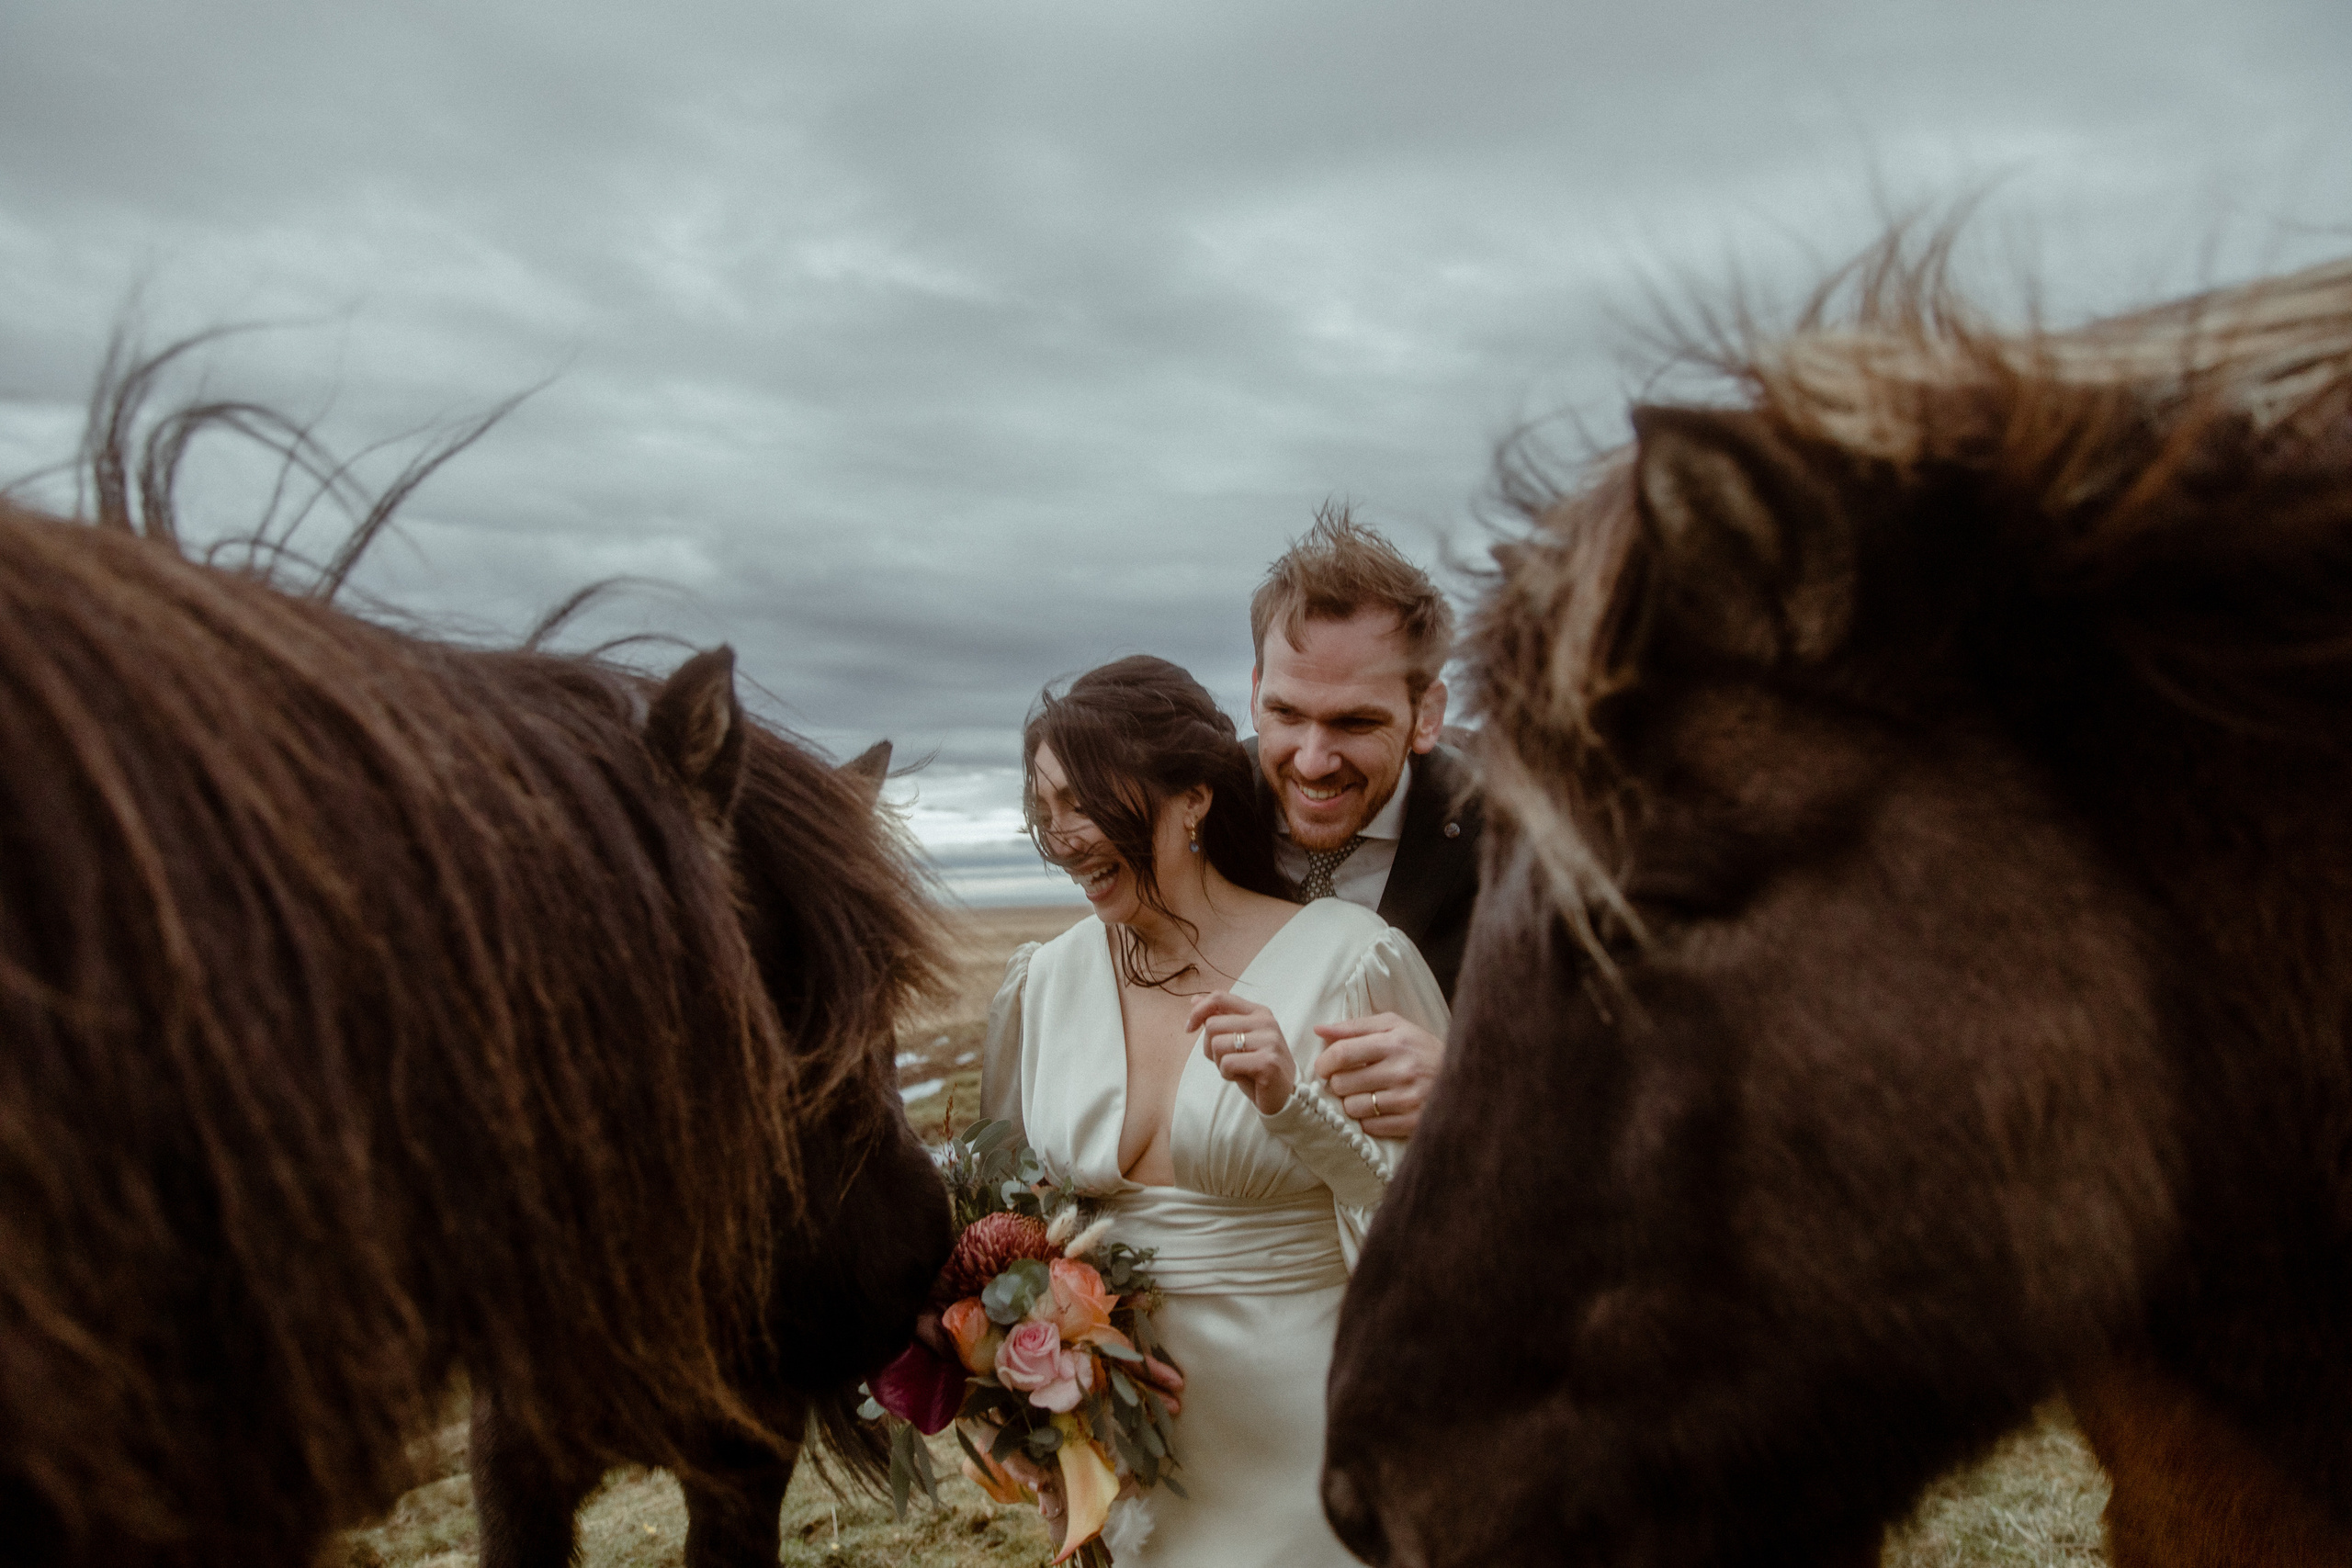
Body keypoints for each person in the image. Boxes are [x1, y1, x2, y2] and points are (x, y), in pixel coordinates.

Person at [982, 655, 1448, 1567]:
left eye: (1087, 803)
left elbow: (1442, 1226)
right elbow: (1010, 1222)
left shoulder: (1349, 963)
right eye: (1047, 811)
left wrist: (1292, 1104)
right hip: (1127, 1451)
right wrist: (1031, 1408)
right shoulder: (1046, 981)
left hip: (1314, 1438)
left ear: (1192, 799)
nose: (1065, 835)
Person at [1246, 508, 1480, 1141]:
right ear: (1254, 694)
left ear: (1425, 713)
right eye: (1286, 713)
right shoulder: (1202, 810)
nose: (1313, 761)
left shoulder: (1510, 839)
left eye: (1355, 723)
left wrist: (1465, 1081)